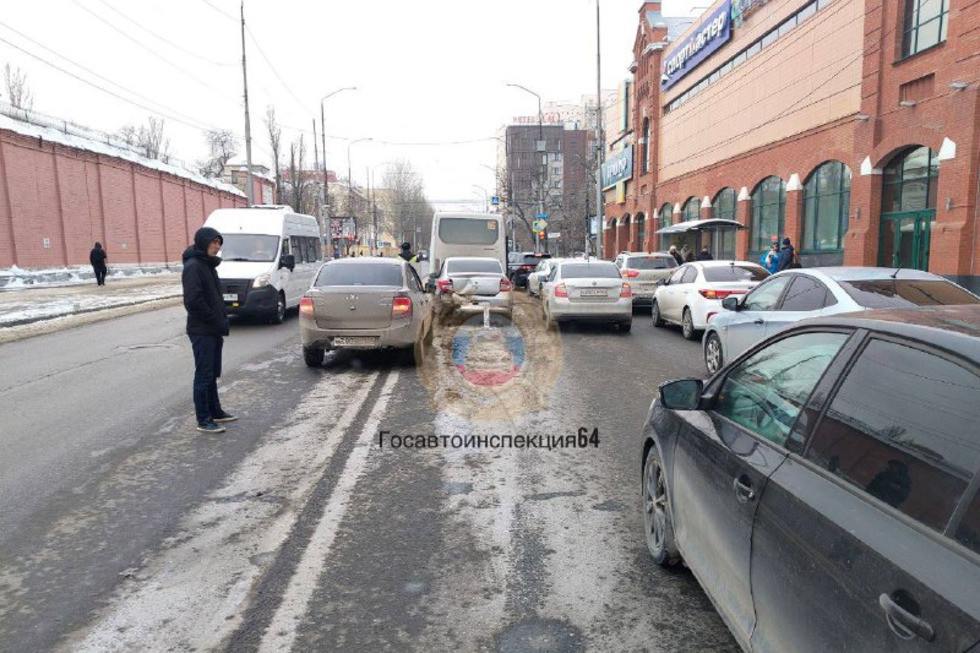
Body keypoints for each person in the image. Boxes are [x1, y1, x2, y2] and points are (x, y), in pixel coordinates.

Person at [182, 226, 235, 434]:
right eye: (214, 242)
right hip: (202, 329)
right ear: (203, 242)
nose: (217, 246)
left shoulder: (207, 265)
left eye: (219, 242)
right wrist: (213, 317)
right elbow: (193, 301)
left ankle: (216, 411)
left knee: (212, 373)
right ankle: (203, 419)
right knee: (203, 374)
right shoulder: (194, 266)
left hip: (212, 329)